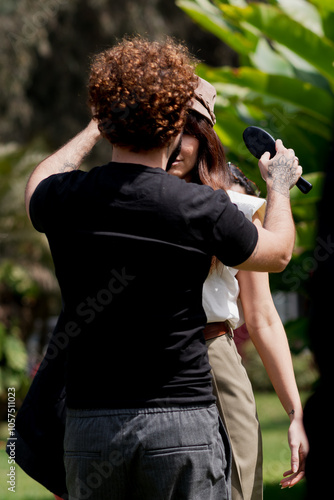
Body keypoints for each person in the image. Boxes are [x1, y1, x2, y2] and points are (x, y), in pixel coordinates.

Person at [23, 35, 302, 500]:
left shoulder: (67, 199)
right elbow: (279, 252)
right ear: (175, 122)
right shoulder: (201, 207)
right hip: (182, 422)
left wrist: (97, 126)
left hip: (91, 422)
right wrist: (279, 186)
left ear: (108, 116)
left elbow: (40, 180)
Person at [167, 85, 309, 500]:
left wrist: (295, 413)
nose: (175, 144)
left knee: (238, 491)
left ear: (205, 136)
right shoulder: (122, 197)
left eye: (186, 130)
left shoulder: (236, 205)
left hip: (213, 358)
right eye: (164, 128)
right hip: (139, 366)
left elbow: (261, 314)